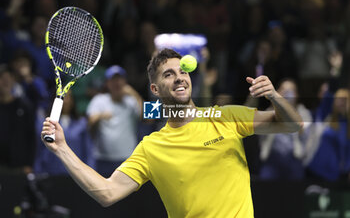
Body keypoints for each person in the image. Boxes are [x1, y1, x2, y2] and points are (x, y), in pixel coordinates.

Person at [41, 49, 303, 217]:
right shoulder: (151, 147)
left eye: (183, 71)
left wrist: (274, 96)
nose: (180, 77)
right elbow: (107, 193)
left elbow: (293, 125)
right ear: (155, 90)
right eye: (169, 74)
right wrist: (62, 147)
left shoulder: (226, 117)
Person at [86, 65, 142, 177]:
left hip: (128, 158)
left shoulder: (131, 100)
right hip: (103, 159)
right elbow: (90, 122)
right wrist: (100, 116)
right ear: (107, 83)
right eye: (113, 80)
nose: (117, 83)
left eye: (120, 79)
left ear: (125, 81)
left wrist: (133, 93)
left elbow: (149, 117)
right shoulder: (99, 99)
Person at [0, 64, 36, 174]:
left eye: (9, 78)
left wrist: (29, 164)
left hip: (19, 167)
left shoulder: (25, 106)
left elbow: (31, 137)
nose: (6, 81)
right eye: (2, 78)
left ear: (13, 80)